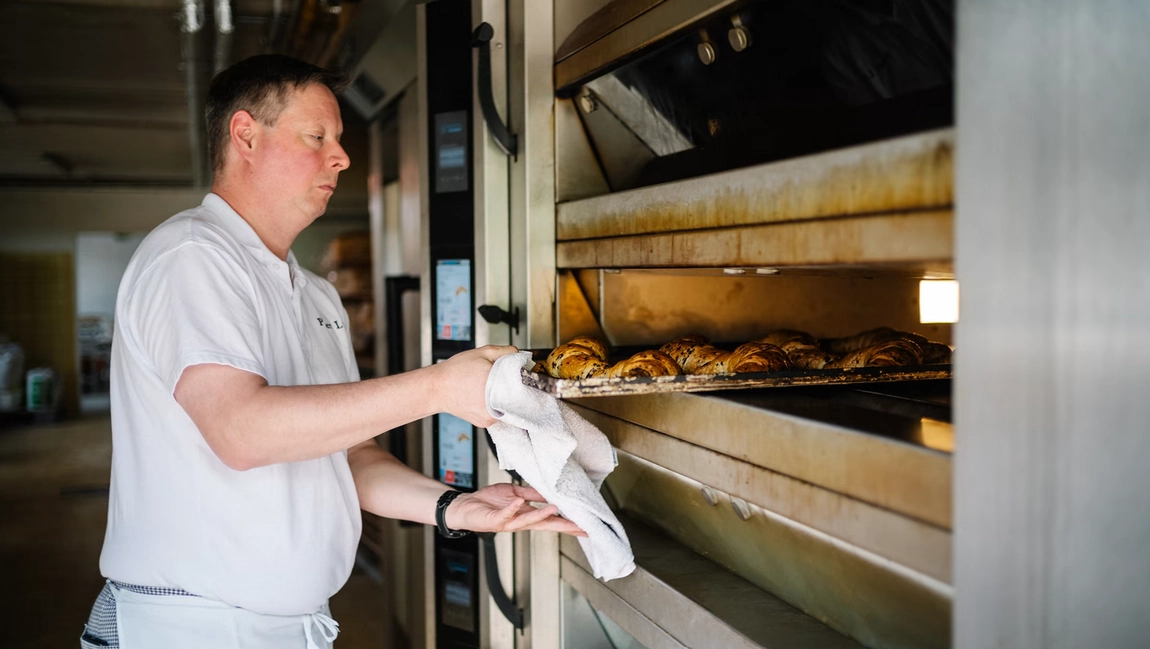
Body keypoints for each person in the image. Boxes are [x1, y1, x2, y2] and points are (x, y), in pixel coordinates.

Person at [80, 54, 582, 649]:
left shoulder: (315, 293)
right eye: (317, 137)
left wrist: (458, 508)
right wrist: (439, 386)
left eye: (339, 141)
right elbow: (241, 431)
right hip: (194, 628)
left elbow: (351, 459)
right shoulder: (192, 255)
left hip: (283, 627)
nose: (341, 158)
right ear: (246, 135)